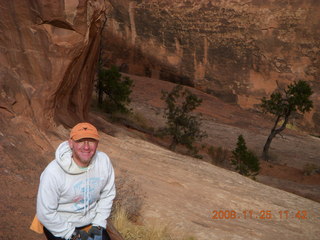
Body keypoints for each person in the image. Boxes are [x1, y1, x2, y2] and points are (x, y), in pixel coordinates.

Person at [36, 122, 116, 240]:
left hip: (91, 222)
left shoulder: (103, 161)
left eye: (91, 140)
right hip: (60, 225)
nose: (86, 146)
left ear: (97, 143)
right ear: (71, 143)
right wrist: (72, 233)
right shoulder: (53, 172)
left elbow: (107, 194)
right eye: (80, 141)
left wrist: (99, 224)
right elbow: (45, 213)